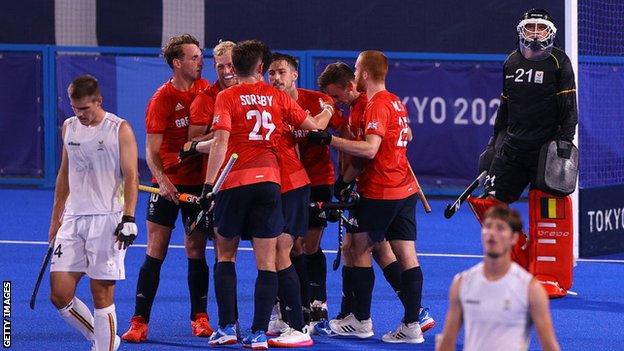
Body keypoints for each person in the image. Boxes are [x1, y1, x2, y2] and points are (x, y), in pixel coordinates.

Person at [202, 40, 321, 349]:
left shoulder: (226, 97)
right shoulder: (276, 96)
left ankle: (228, 327)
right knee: (267, 261)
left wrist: (208, 186)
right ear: (259, 68)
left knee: (224, 255)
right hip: (270, 182)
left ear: (233, 67)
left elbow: (220, 141)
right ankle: (257, 333)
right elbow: (310, 126)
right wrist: (329, 112)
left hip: (234, 182)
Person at [308, 51, 427, 344]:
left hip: (381, 190)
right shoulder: (395, 101)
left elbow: (371, 150)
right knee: (405, 255)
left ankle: (360, 320)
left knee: (357, 248)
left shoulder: (375, 105)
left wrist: (330, 140)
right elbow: (405, 135)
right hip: (403, 189)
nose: (355, 71)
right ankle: (412, 323)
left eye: (358, 67)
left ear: (364, 74)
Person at [472, 8, 578, 275]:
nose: (534, 33)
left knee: (546, 214)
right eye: (529, 27)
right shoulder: (510, 62)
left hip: (546, 152)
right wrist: (494, 144)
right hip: (513, 148)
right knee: (491, 205)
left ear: (550, 31)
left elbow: (569, 110)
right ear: (520, 30)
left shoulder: (560, 62)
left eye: (540, 27)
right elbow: (504, 110)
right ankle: (518, 257)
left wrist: (563, 147)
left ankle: (547, 272)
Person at [122, 34, 212, 343]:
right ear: (177, 63)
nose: (200, 61)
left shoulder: (206, 90)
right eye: (194, 57)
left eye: (200, 56)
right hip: (166, 184)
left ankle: (200, 318)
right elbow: (151, 150)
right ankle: (139, 322)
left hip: (198, 184)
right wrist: (163, 181)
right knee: (155, 251)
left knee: (195, 249)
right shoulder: (161, 99)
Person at [49, 75, 138, 351]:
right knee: (59, 295)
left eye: (85, 108)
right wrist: (55, 220)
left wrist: (129, 218)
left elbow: (132, 176)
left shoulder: (119, 129)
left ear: (99, 101)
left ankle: (105, 346)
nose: (80, 114)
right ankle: (104, 339)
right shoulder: (69, 127)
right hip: (73, 220)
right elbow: (64, 174)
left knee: (101, 294)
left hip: (108, 219)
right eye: (76, 109)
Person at [267, 53, 342, 329]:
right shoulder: (268, 103)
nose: (276, 78)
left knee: (309, 245)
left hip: (318, 180)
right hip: (283, 184)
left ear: (294, 75)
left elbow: (342, 133)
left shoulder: (318, 101)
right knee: (289, 246)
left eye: (281, 72)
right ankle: (293, 304)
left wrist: (346, 180)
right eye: (271, 73)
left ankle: (318, 303)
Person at [436, 206, 560, 351]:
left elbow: (550, 346)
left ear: (514, 238)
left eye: (500, 228)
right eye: (488, 227)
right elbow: (447, 343)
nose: (492, 234)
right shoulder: (462, 283)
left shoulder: (530, 289)